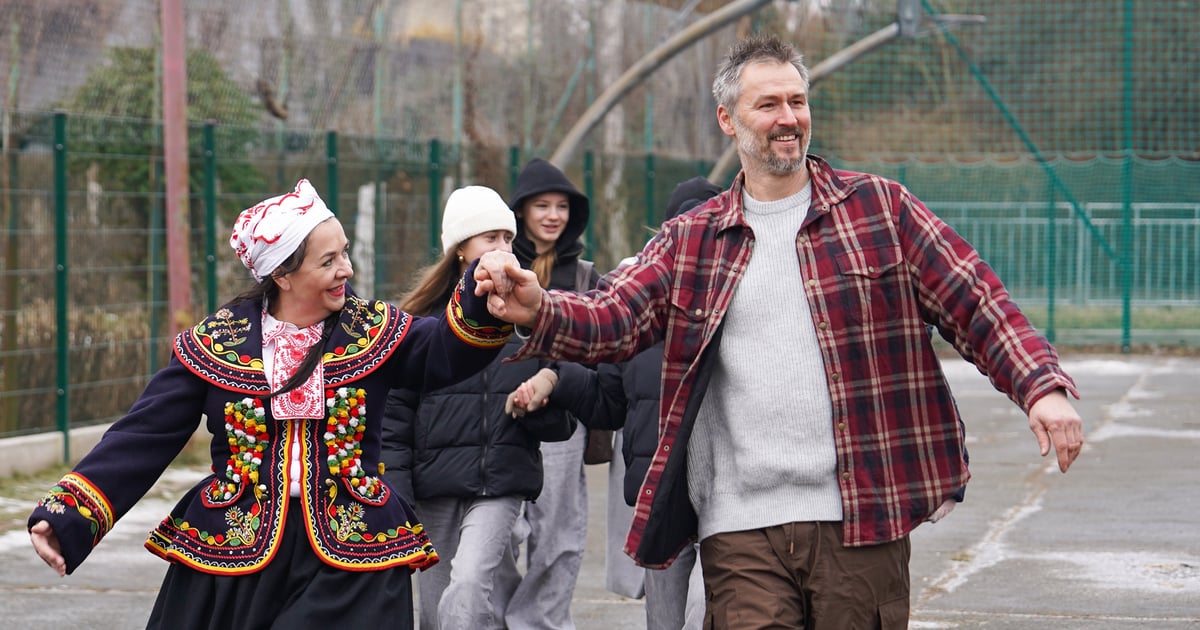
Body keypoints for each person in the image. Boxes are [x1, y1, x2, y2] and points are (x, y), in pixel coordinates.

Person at [476, 34, 1084, 629]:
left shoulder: (881, 209)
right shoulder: (693, 239)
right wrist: (539, 308)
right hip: (739, 524)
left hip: (860, 513)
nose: (788, 117)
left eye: (797, 101)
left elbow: (975, 298)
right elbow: (616, 317)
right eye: (768, 104)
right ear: (727, 119)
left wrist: (1039, 385)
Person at [27, 179, 513, 629]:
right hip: (235, 549)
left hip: (353, 552)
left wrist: (479, 291)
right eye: (328, 261)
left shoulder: (375, 331)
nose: (346, 269)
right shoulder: (218, 343)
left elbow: (450, 349)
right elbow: (143, 435)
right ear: (281, 273)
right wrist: (69, 514)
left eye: (344, 254)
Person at [380, 185, 592, 630]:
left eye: (507, 238)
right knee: (436, 610)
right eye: (489, 238)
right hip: (433, 483)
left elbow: (563, 422)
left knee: (471, 586)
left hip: (500, 482)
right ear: (460, 250)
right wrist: (396, 490)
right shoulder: (419, 322)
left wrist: (542, 396)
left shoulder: (532, 315)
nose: (502, 249)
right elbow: (393, 416)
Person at [591, 176, 722, 630]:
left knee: (705, 615)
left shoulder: (740, 302)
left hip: (728, 497)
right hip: (662, 497)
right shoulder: (634, 308)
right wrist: (557, 375)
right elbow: (608, 404)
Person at [501, 158, 600, 630]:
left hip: (561, 420)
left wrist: (552, 383)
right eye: (542, 205)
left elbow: (597, 344)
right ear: (521, 211)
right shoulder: (496, 268)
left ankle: (539, 623)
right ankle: (499, 616)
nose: (552, 215)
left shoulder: (585, 277)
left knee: (558, 531)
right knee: (496, 533)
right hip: (500, 415)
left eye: (562, 206)